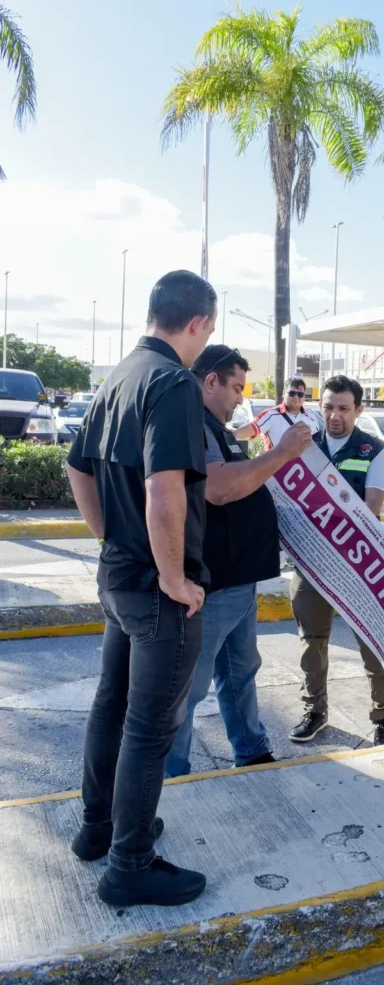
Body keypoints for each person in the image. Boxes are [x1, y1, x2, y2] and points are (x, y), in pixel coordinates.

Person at [66, 270, 216, 908]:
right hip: (157, 590)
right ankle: (130, 862)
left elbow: (77, 466)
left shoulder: (120, 375)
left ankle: (98, 829)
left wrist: (111, 537)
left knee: (111, 705)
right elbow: (164, 491)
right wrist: (175, 576)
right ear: (199, 324)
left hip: (119, 575)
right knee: (148, 727)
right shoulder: (173, 382)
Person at [166, 344, 312, 776]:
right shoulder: (194, 424)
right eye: (235, 387)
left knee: (241, 672)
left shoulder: (216, 425)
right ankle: (171, 773)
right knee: (189, 689)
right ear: (209, 381)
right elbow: (218, 488)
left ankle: (251, 749)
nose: (239, 398)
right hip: (210, 584)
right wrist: (282, 452)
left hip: (237, 579)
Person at [289, 374, 384, 747]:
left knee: (372, 644)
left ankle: (383, 717)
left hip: (358, 564)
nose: (335, 416)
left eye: (344, 408)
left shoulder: (374, 450)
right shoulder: (303, 446)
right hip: (310, 563)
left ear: (359, 410)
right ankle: (315, 712)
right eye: (329, 407)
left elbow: (371, 509)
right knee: (312, 642)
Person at [235, 376, 319, 449]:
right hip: (276, 467)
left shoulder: (311, 419)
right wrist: (231, 434)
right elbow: (252, 428)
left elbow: (317, 446)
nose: (296, 397)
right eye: (292, 393)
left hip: (302, 467)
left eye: (300, 394)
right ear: (283, 393)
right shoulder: (270, 415)